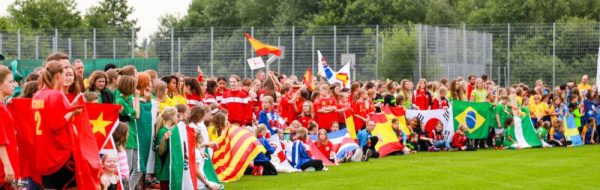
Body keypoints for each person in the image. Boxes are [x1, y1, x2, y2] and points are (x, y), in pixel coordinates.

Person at [32, 60, 83, 189]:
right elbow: (56, 124)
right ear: (58, 76)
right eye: (64, 75)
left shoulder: (37, 95)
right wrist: (73, 113)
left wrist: (70, 108)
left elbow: (50, 117)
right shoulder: (55, 95)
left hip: (43, 155)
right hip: (60, 155)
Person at [114, 75, 143, 190]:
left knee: (139, 168)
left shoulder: (127, 98)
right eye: (134, 85)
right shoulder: (120, 100)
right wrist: (136, 98)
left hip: (133, 135)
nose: (136, 88)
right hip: (127, 137)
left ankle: (128, 187)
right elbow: (137, 115)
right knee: (128, 167)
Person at [154, 107, 183, 190]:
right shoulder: (163, 131)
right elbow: (160, 151)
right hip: (165, 171)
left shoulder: (170, 129)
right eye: (176, 115)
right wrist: (163, 139)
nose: (177, 118)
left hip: (170, 171)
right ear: (171, 116)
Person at [0, 66, 18, 188]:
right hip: (2, 168)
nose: (15, 84)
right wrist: (7, 165)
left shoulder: (3, 105)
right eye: (10, 82)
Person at [112, 122, 130, 186]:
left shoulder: (122, 147)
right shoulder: (115, 149)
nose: (128, 134)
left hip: (126, 179)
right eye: (127, 132)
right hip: (120, 180)